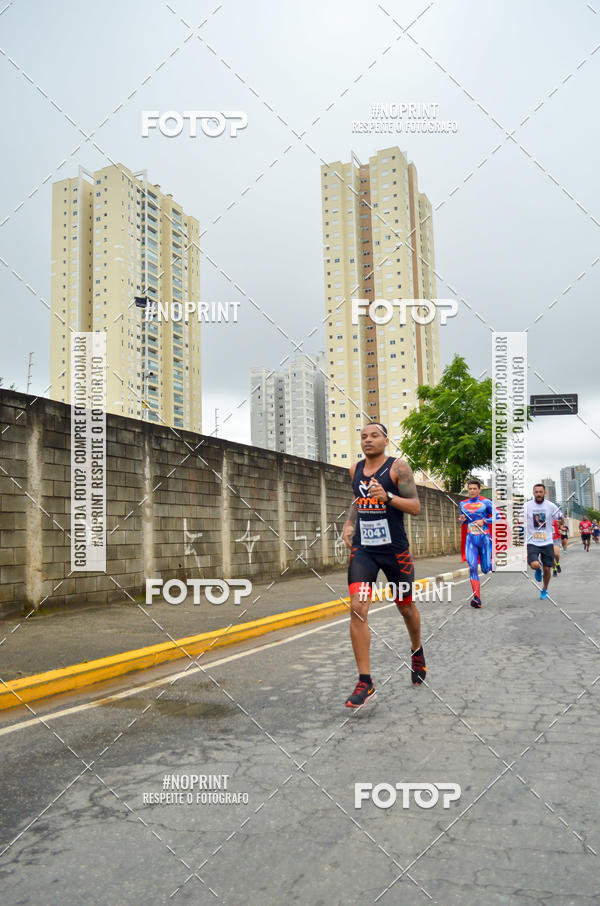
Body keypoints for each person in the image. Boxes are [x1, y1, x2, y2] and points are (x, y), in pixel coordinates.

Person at [342, 422, 423, 708]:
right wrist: (349, 523)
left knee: (405, 607)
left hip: (394, 552)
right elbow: (357, 499)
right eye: (363, 436)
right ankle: (365, 681)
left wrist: (388, 496)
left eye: (374, 435)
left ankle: (416, 650)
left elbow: (415, 506)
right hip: (364, 550)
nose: (368, 440)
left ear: (386, 440)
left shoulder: (398, 468)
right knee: (357, 606)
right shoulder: (354, 469)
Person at [458, 478, 504, 608]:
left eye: (474, 489)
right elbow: (463, 520)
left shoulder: (486, 502)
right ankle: (477, 599)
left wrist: (484, 521)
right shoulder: (462, 504)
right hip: (470, 540)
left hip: (484, 540)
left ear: (479, 490)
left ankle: (492, 563)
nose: (472, 491)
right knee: (472, 567)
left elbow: (498, 517)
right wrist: (462, 519)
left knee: (485, 569)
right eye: (470, 489)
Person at [525, 484, 563, 599]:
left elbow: (560, 518)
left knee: (547, 568)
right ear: (533, 493)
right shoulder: (527, 505)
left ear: (544, 493)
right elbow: (519, 519)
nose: (538, 494)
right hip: (532, 541)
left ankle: (544, 590)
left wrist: (561, 520)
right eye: (536, 492)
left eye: (540, 492)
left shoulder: (551, 506)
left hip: (547, 542)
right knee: (534, 564)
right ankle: (537, 569)